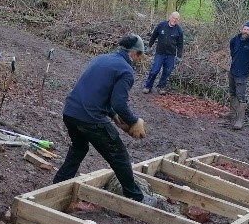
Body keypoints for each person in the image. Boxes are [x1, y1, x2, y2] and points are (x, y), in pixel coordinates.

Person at [52, 34, 157, 205]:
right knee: (120, 156)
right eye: (140, 56)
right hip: (90, 119)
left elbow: (96, 92)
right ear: (135, 53)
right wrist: (133, 121)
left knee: (79, 148)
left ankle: (57, 185)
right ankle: (136, 198)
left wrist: (112, 115)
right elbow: (119, 103)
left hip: (70, 112)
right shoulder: (125, 70)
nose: (139, 60)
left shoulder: (101, 58)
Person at [143, 11, 185, 95]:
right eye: (173, 18)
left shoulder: (179, 30)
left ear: (178, 20)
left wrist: (179, 56)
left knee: (167, 72)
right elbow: (154, 36)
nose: (174, 20)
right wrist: (149, 46)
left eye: (177, 19)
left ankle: (161, 87)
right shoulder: (161, 25)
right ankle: (148, 86)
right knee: (154, 70)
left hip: (171, 55)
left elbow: (180, 44)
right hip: (160, 53)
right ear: (170, 17)